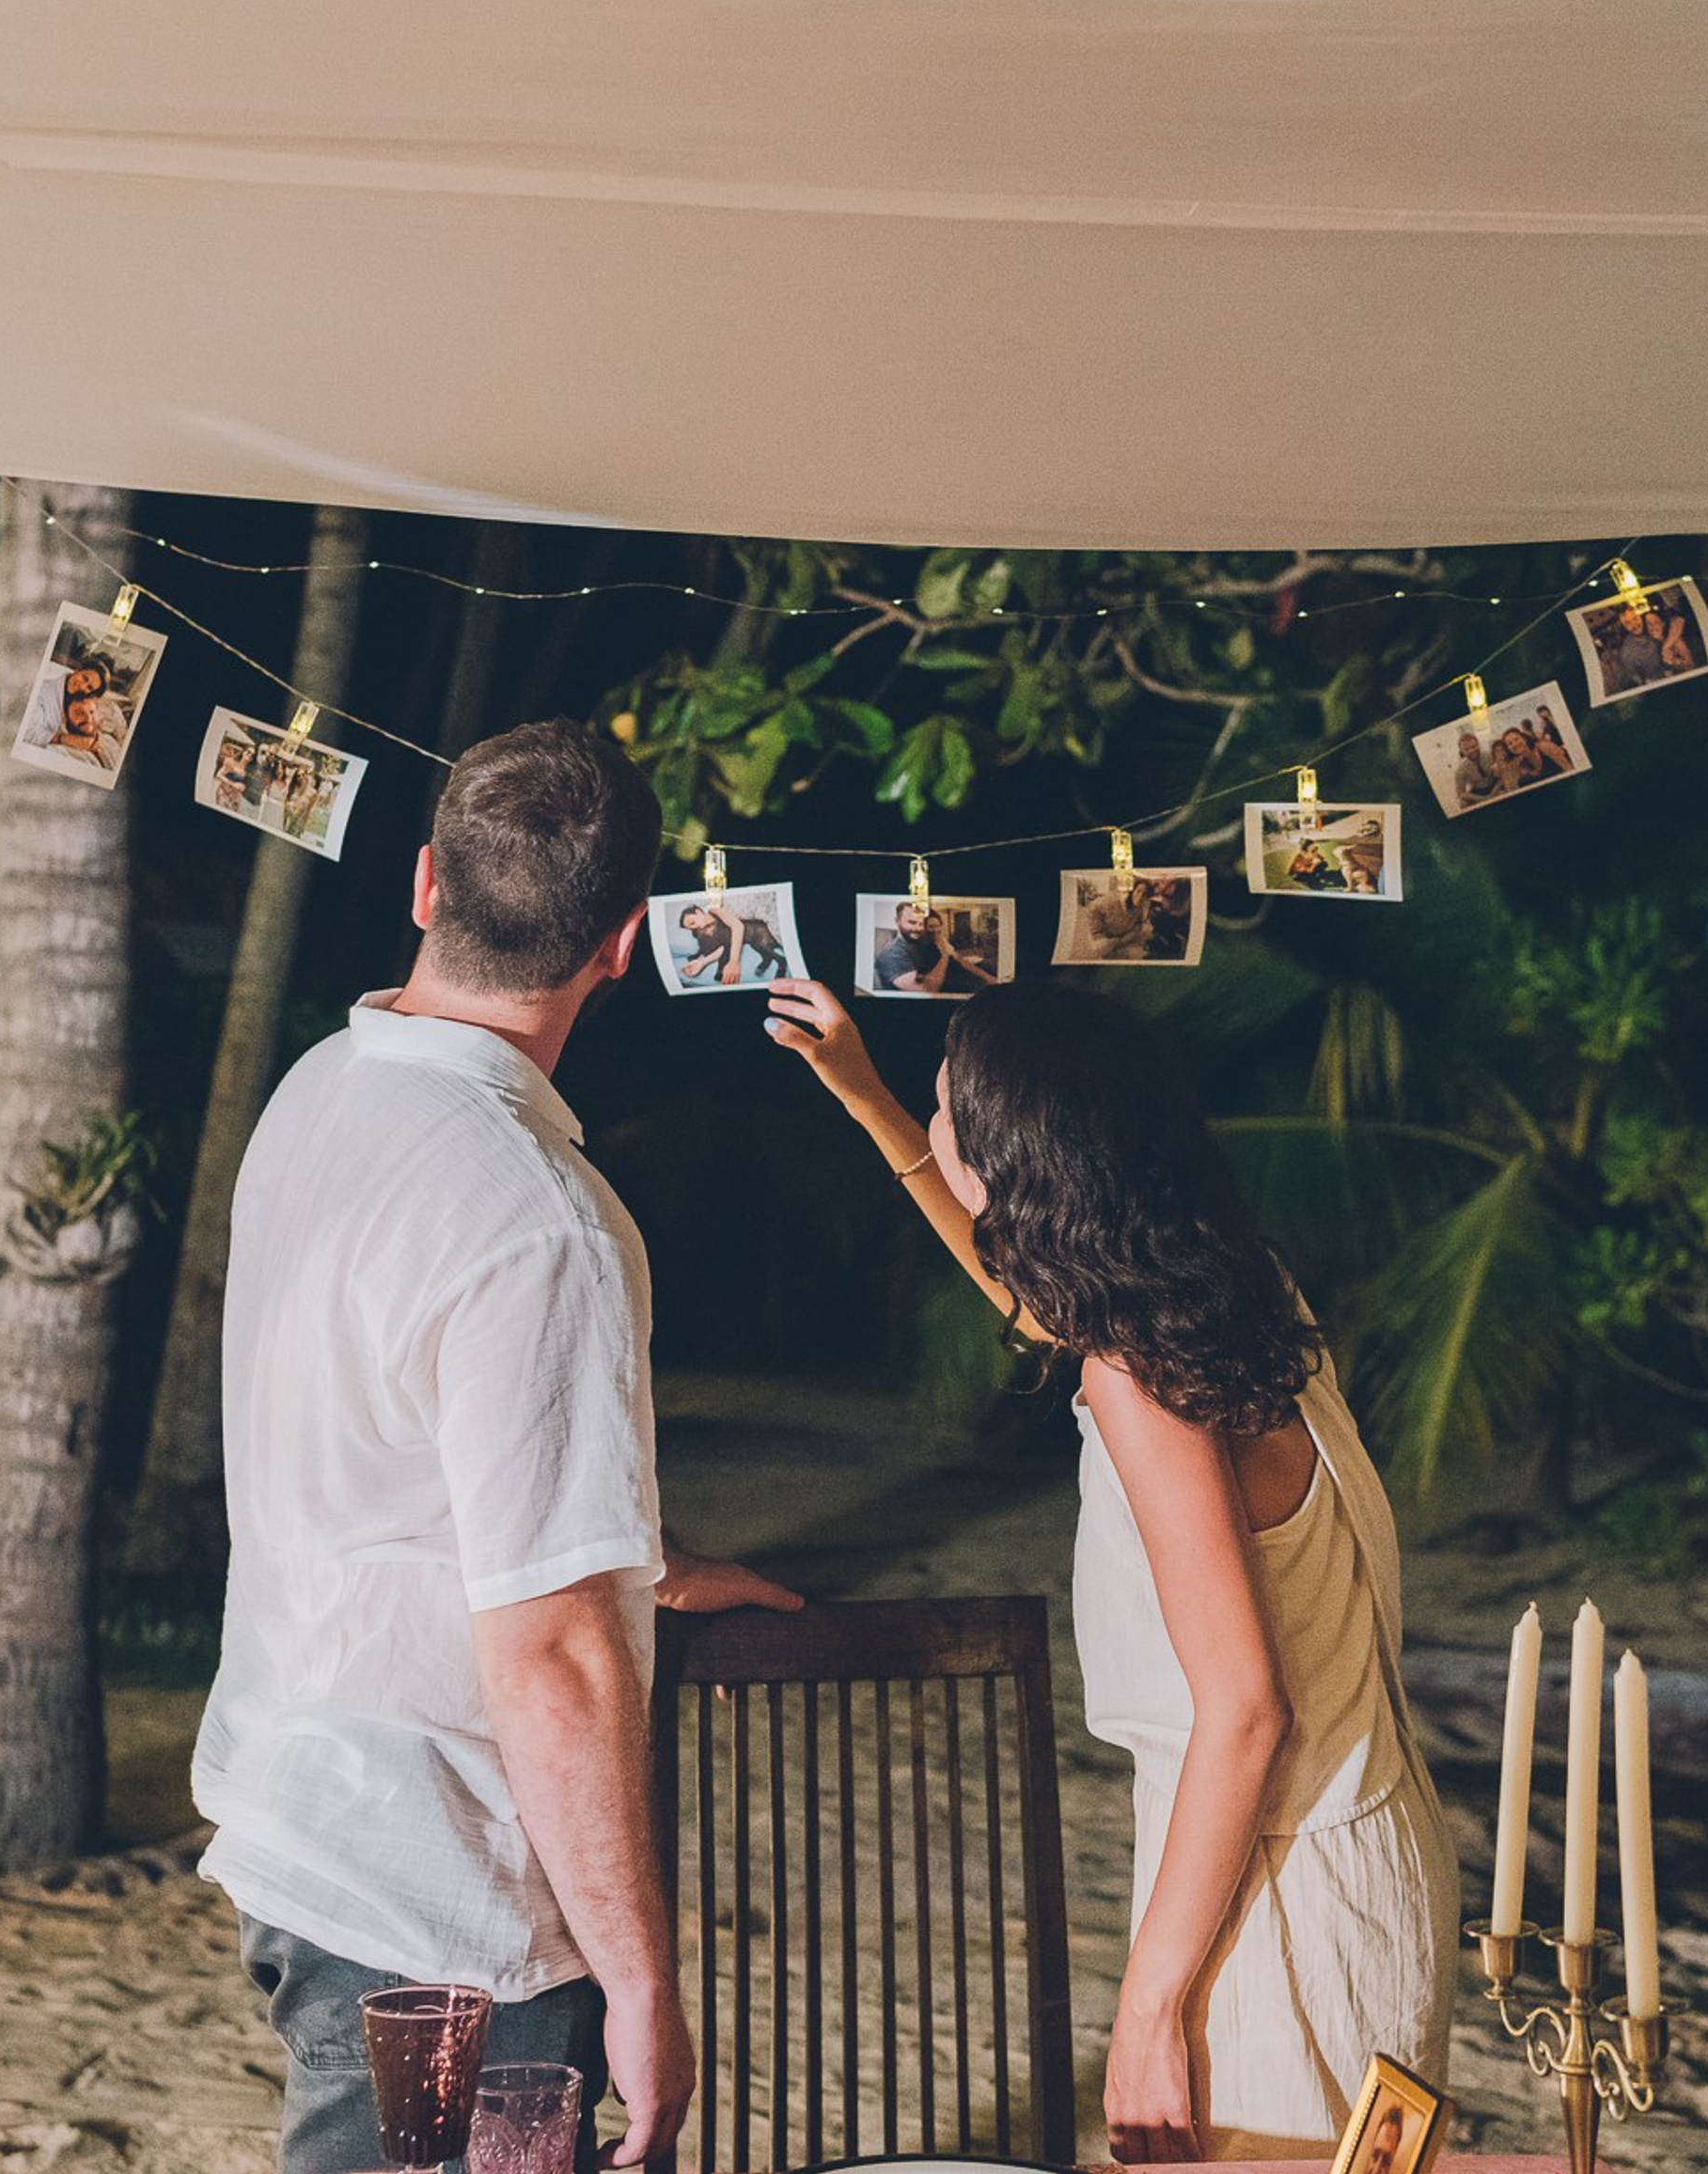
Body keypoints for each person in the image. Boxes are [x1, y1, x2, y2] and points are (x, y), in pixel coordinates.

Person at [194, 721, 800, 2174]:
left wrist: (629, 1567)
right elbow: (550, 1658)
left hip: (301, 1800)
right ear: (623, 943)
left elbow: (393, 1466)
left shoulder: (322, 1098)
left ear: (424, 887)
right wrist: (644, 1986)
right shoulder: (544, 1223)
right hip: (438, 1902)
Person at [764, 978, 1457, 2162]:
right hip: (1354, 1848)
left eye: (943, 1108)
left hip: (1280, 1890)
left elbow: (1244, 1711)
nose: (934, 1122)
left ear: (1011, 1165)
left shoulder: (1143, 1384)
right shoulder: (1230, 1291)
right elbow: (1039, 1296)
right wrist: (871, 1097)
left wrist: (1145, 2014)